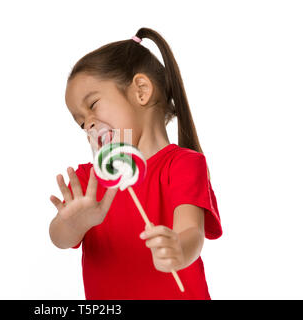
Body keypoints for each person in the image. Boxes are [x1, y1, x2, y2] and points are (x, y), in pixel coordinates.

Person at [48, 27, 222, 300]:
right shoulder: (90, 181)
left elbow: (191, 231)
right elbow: (59, 237)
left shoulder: (183, 164)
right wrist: (74, 223)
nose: (88, 124)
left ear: (141, 91)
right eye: (81, 122)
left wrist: (179, 248)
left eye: (93, 104)